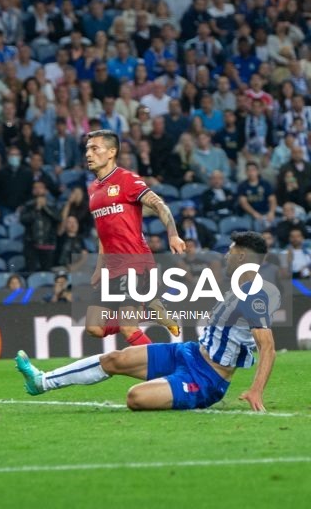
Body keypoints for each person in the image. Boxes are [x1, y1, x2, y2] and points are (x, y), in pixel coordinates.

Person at [16, 232, 280, 413]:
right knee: (115, 359)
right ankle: (41, 381)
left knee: (135, 397)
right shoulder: (237, 287)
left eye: (231, 252)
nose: (226, 256)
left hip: (207, 379)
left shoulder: (254, 295)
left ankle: (176, 387)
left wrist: (256, 390)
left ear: (243, 257)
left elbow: (267, 346)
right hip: (189, 352)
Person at [83, 130, 184, 346]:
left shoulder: (127, 179)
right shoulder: (93, 189)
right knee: (93, 327)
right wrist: (99, 267)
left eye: (94, 148)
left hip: (133, 262)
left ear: (111, 152)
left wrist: (173, 235)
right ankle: (150, 309)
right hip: (112, 266)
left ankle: (164, 371)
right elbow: (104, 232)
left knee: (128, 327)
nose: (88, 154)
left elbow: (159, 205)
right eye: (87, 149)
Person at [20, 181, 60, 272]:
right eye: (35, 188)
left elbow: (58, 219)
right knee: (31, 271)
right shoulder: (28, 205)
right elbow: (23, 220)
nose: (38, 190)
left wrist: (45, 207)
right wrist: (37, 209)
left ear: (45, 191)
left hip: (48, 243)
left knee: (47, 272)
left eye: (40, 187)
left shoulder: (52, 205)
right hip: (31, 244)